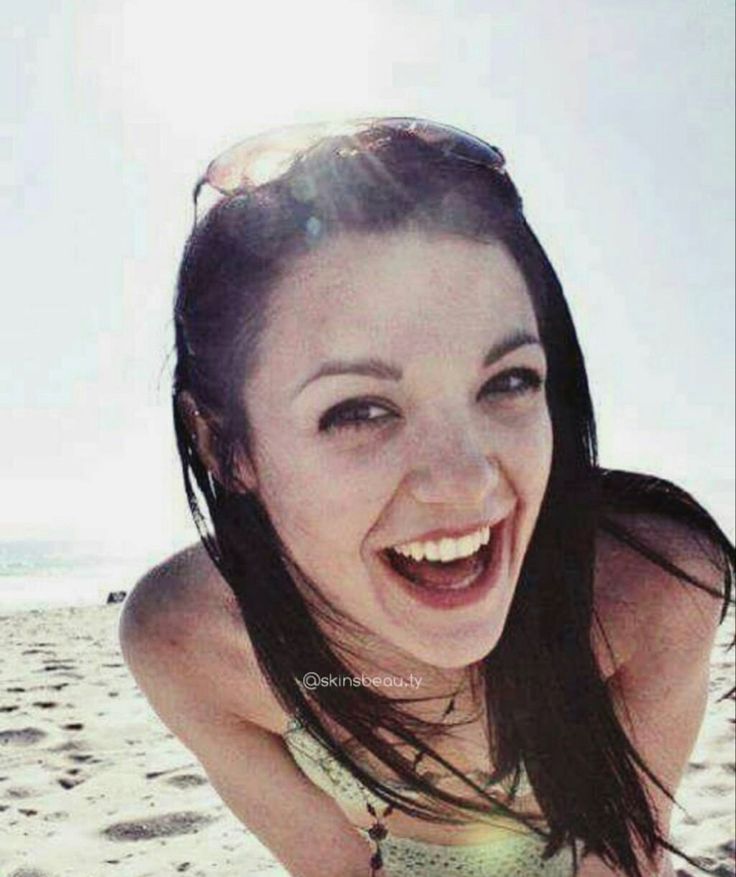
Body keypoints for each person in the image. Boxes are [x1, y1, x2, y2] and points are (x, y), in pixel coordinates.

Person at [119, 118, 734, 877]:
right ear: (224, 445)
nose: (469, 482)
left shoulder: (653, 587)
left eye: (508, 381)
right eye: (358, 409)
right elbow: (338, 867)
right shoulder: (191, 642)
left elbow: (631, 853)